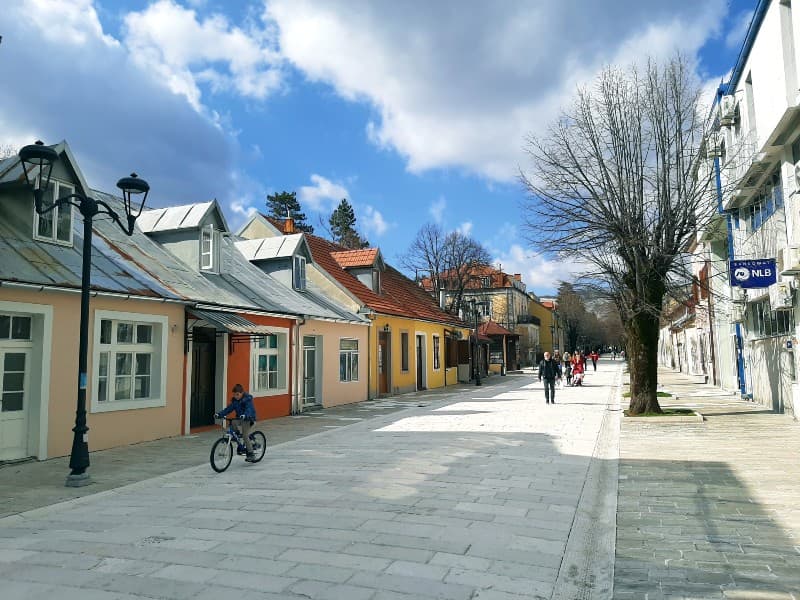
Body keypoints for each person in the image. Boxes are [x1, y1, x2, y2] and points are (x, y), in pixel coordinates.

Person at [215, 383, 258, 462]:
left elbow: (249, 409)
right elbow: (228, 409)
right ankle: (237, 435)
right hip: (240, 418)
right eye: (234, 395)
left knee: (245, 436)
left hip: (249, 419)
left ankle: (251, 454)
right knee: (233, 422)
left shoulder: (247, 399)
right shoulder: (235, 401)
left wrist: (245, 415)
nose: (236, 396)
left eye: (237, 394)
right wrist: (219, 414)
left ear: (242, 393)